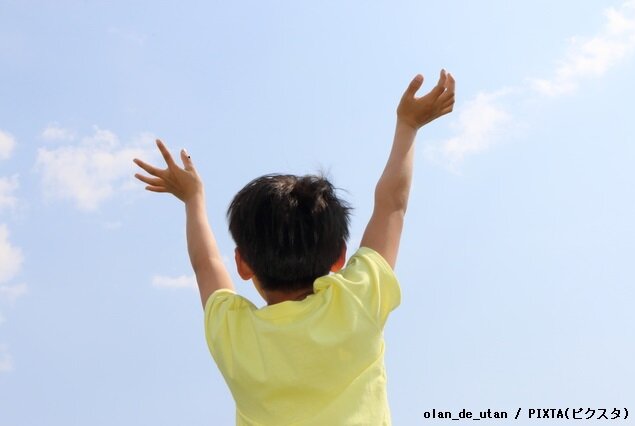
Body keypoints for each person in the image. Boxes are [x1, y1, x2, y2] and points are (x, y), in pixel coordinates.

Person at [133, 69, 455, 425]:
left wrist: (193, 198)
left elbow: (206, 263)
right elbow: (392, 204)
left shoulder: (233, 337)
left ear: (243, 264)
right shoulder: (357, 301)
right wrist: (408, 125)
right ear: (339, 257)